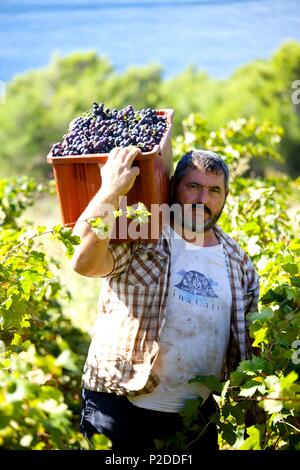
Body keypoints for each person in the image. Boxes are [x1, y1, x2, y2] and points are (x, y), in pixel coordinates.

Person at [71, 147, 260, 452]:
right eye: (194, 187)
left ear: (225, 196)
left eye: (214, 190)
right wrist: (110, 192)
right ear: (174, 186)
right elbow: (84, 263)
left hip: (194, 420)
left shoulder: (237, 260)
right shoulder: (142, 232)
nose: (203, 200)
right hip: (122, 406)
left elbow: (252, 341)